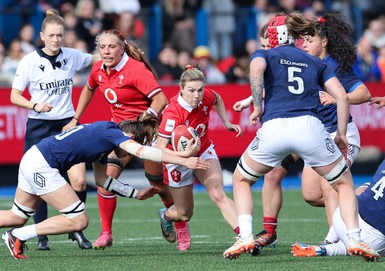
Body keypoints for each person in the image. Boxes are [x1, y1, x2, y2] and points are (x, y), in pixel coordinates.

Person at [222, 12, 379, 261]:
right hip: (312, 129)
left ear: (273, 38)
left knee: (241, 179)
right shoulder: (313, 61)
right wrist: (340, 134)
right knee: (340, 184)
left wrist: (257, 107)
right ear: (293, 35)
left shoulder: (267, 54)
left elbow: (257, 69)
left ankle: (247, 236)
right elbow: (339, 95)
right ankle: (354, 239)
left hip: (276, 127)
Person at [0, 120, 209, 260]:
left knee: (16, 216)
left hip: (34, 158)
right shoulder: (113, 135)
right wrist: (182, 158)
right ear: (128, 138)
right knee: (79, 220)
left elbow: (103, 180)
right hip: (41, 165)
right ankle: (17, 237)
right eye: (127, 150)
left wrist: (135, 193)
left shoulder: (105, 136)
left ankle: (16, 231)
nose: (127, 157)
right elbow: (142, 151)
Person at [64, 29, 174, 249]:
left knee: (155, 181)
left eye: (111, 47)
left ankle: (172, 218)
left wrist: (143, 122)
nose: (106, 51)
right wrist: (76, 118)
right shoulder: (98, 69)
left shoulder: (136, 69)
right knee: (106, 182)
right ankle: (106, 233)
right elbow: (88, 89)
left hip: (148, 132)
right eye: (102, 47)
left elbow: (161, 100)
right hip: (120, 134)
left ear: (122, 48)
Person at [10, 8, 98, 250]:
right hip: (39, 126)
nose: (56, 39)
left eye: (60, 35)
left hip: (67, 124)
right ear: (42, 35)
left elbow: (97, 58)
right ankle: (41, 237)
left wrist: (120, 50)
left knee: (79, 181)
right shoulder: (29, 61)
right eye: (51, 35)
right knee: (39, 185)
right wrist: (35, 104)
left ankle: (76, 229)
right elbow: (14, 96)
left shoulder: (72, 55)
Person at [156, 65, 242, 251]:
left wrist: (226, 123)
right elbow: (160, 148)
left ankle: (245, 235)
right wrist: (185, 158)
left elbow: (217, 99)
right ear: (181, 89)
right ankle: (166, 216)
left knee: (218, 194)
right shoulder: (172, 114)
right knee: (184, 213)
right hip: (176, 161)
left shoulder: (205, 96)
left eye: (200, 90)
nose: (197, 95)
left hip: (203, 151)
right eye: (191, 90)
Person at [292, 159, 385, 259]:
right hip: (375, 240)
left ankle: (326, 246)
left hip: (342, 218)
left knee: (365, 187)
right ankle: (342, 245)